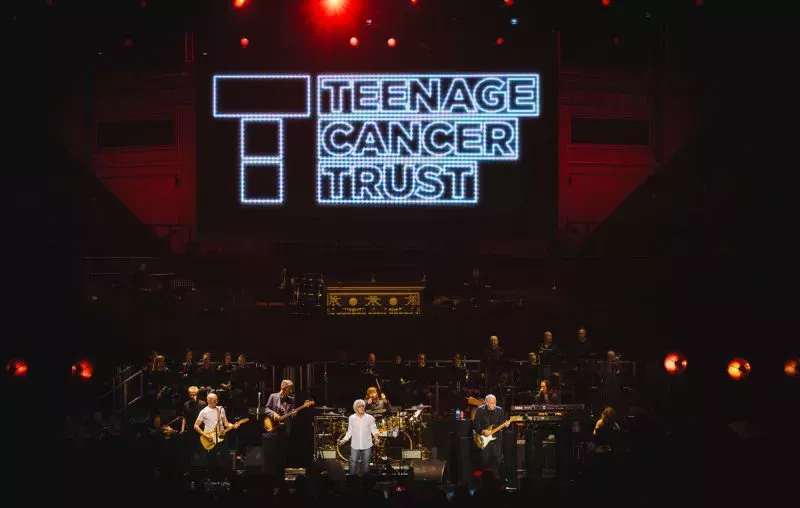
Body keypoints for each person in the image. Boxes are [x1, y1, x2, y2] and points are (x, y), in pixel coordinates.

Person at [339, 399, 380, 476]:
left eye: (363, 406)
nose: (361, 408)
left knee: (366, 465)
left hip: (367, 445)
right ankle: (352, 480)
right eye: (359, 406)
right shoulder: (351, 418)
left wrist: (376, 439)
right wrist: (344, 440)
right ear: (355, 408)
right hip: (355, 445)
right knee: (353, 464)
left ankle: (365, 482)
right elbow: (350, 431)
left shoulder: (370, 418)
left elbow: (374, 430)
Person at [193, 393, 232, 470]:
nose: (216, 402)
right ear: (208, 400)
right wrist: (206, 435)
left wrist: (233, 425)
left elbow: (226, 424)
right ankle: (211, 474)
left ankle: (224, 474)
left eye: (217, 400)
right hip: (210, 438)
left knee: (225, 457)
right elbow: (196, 426)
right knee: (212, 459)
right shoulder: (204, 412)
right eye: (214, 400)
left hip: (221, 436)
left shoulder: (221, 409)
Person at [472, 394, 505, 479]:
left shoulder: (499, 410)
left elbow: (502, 423)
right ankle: (485, 479)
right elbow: (475, 425)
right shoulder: (480, 410)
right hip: (484, 439)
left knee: (498, 460)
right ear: (486, 403)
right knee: (485, 460)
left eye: (495, 403)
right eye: (492, 403)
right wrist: (482, 431)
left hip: (496, 438)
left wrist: (506, 425)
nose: (494, 405)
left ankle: (498, 479)